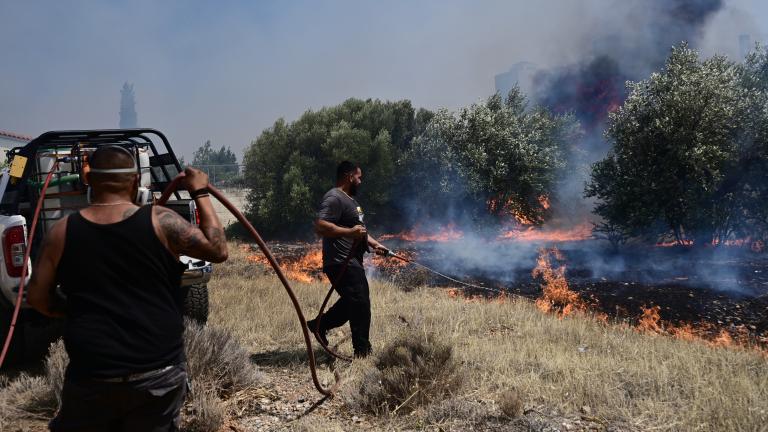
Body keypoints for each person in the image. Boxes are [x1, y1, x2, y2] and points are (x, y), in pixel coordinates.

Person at [27, 145, 228, 432]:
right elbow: (218, 250)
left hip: (93, 377)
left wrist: (71, 310)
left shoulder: (60, 232)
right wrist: (201, 192)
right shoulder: (162, 222)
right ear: (135, 182)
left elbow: (36, 298)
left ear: (89, 181)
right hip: (157, 376)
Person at [308, 161, 388, 358]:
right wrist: (349, 232)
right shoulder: (334, 197)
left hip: (352, 260)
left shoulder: (351, 201)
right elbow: (320, 225)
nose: (361, 181)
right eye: (358, 177)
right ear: (348, 176)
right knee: (360, 303)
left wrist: (375, 244)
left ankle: (319, 325)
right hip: (340, 261)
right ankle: (363, 352)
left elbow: (358, 232)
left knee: (354, 301)